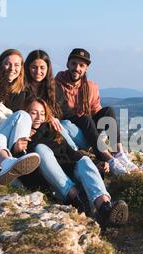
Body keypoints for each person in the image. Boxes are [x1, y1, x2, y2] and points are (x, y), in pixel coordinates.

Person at [20, 98, 128, 227]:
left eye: (42, 113)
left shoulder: (52, 130)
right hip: (58, 186)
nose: (38, 117)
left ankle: (105, 207)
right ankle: (77, 198)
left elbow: (71, 152)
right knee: (40, 149)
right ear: (26, 113)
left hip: (72, 174)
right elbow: (25, 169)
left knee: (84, 161)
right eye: (34, 113)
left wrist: (96, 162)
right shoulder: (23, 137)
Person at [55, 48, 138, 176]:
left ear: (86, 68)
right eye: (74, 64)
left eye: (81, 65)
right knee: (84, 119)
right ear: (67, 64)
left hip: (89, 131)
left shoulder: (91, 87)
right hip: (71, 131)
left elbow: (96, 111)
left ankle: (119, 153)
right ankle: (109, 159)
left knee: (108, 111)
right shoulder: (57, 84)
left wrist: (102, 131)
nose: (77, 68)